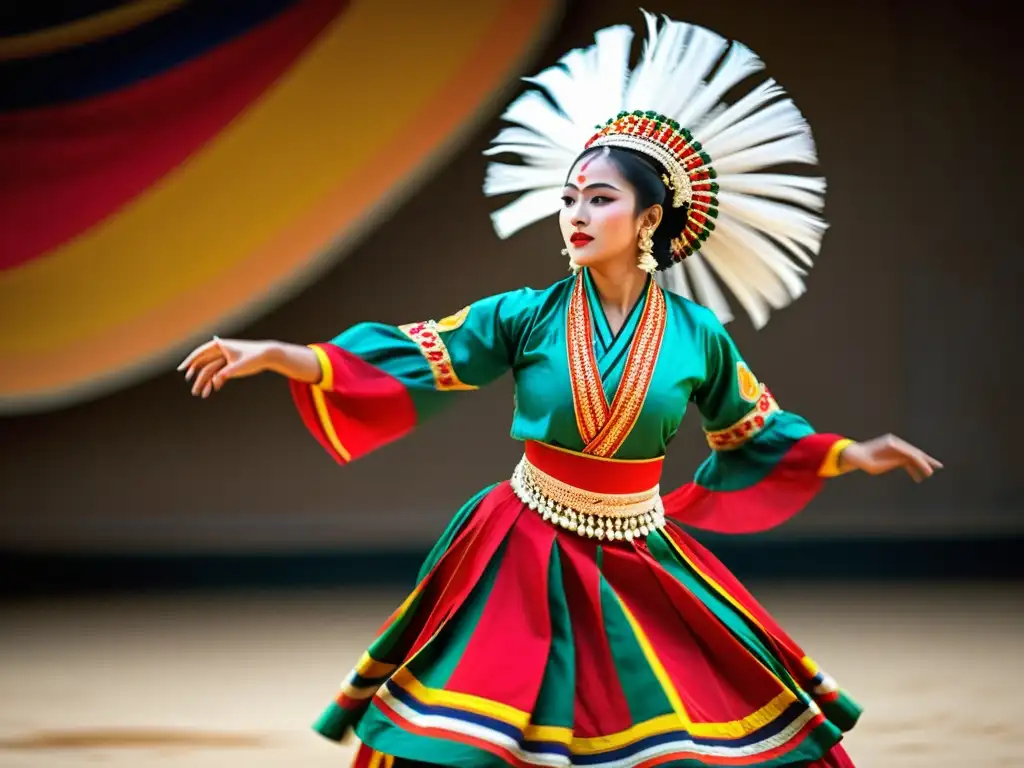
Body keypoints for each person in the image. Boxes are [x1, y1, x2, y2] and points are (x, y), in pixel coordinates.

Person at [178, 13, 940, 768]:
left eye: (600, 199)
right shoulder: (524, 314)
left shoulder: (695, 333)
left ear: (650, 218)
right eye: (570, 197)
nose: (577, 213)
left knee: (679, 725)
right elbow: (411, 358)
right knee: (488, 727)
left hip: (638, 542)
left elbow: (751, 428)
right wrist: (281, 354)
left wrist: (850, 454)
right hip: (522, 540)